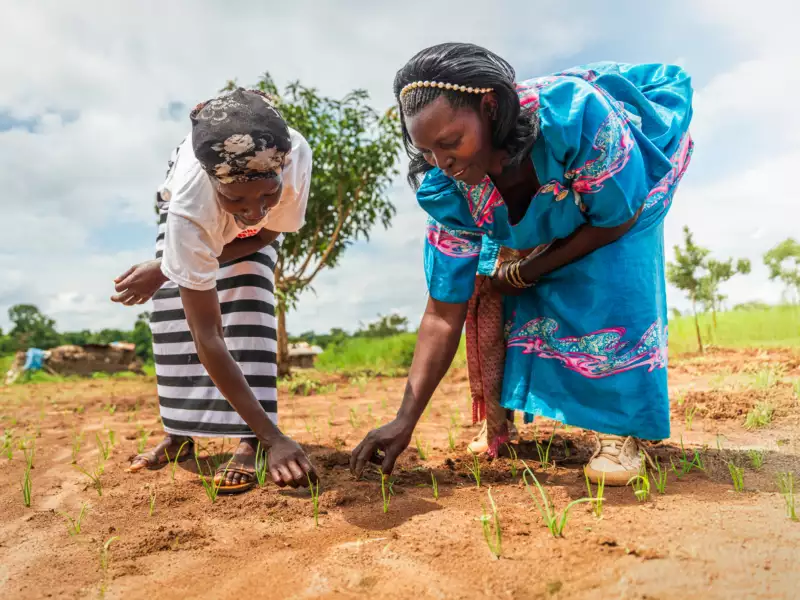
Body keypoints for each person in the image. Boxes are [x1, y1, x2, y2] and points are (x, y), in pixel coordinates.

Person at [351, 43, 693, 486]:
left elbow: (616, 217)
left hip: (631, 174)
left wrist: (530, 269)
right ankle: (500, 419)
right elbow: (442, 312)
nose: (443, 164)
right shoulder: (448, 191)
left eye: (450, 144)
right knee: (492, 282)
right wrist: (404, 420)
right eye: (428, 152)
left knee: (610, 272)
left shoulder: (575, 118)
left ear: (490, 107)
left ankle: (619, 430)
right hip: (559, 198)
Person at [112, 88, 317, 491]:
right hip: (189, 217)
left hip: (248, 239)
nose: (254, 209)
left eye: (267, 193)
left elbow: (263, 233)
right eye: (236, 198)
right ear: (212, 182)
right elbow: (207, 336)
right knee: (175, 324)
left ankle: (253, 439)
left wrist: (167, 267)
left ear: (281, 167)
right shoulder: (189, 211)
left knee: (248, 311)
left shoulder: (293, 157)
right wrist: (170, 267)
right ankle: (179, 433)